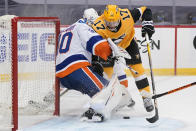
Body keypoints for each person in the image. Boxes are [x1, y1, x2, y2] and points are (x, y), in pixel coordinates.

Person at [56, 8, 134, 122]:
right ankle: (94, 112)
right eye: (95, 23)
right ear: (91, 21)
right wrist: (113, 53)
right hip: (76, 69)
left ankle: (48, 98)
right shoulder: (83, 27)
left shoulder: (66, 30)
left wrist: (93, 64)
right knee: (108, 90)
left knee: (104, 87)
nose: (96, 27)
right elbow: (98, 46)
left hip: (60, 74)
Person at [91, 5, 155, 113]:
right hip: (109, 50)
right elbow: (92, 45)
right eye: (108, 22)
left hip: (128, 45)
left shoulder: (128, 16)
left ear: (119, 17)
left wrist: (147, 22)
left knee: (138, 71)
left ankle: (147, 97)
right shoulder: (97, 27)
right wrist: (95, 61)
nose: (111, 26)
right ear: (104, 18)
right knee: (110, 77)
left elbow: (145, 10)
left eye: (114, 22)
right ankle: (121, 97)